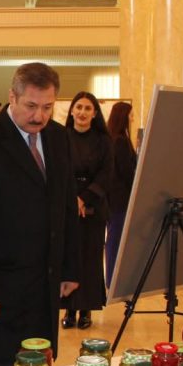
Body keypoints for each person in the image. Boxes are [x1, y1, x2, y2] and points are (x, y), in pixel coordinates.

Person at [0, 63, 80, 366]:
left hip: (45, 283)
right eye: (31, 106)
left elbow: (66, 206)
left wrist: (69, 267)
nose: (39, 116)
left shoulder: (58, 137)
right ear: (12, 97)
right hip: (2, 287)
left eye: (47, 107)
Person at [60, 91, 111, 330]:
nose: (82, 112)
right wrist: (73, 199)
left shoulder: (103, 141)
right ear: (71, 111)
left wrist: (84, 197)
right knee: (69, 257)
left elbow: (106, 174)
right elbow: (57, 172)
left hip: (94, 207)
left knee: (90, 260)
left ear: (95, 113)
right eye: (78, 107)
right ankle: (69, 309)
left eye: (87, 108)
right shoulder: (61, 137)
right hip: (66, 206)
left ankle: (86, 309)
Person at [105, 100, 137, 282]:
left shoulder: (114, 138)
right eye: (131, 115)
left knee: (114, 238)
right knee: (115, 239)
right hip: (120, 199)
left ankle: (113, 278)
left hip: (114, 198)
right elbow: (126, 172)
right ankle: (112, 279)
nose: (132, 118)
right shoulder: (120, 141)